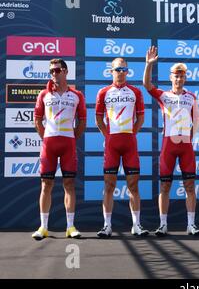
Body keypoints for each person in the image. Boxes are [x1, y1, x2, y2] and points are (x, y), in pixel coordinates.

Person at [143, 46, 199, 236]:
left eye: (182, 76)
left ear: (185, 78)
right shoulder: (164, 96)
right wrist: (148, 65)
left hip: (185, 145)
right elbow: (146, 85)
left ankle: (191, 225)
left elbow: (196, 123)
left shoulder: (192, 97)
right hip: (168, 144)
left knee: (190, 186)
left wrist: (189, 141)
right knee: (165, 186)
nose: (179, 79)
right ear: (171, 77)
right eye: (176, 76)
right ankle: (163, 224)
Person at [32, 58, 86, 240]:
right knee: (46, 185)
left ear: (65, 71)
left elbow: (83, 120)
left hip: (68, 144)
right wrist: (46, 137)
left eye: (57, 70)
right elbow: (37, 120)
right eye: (51, 71)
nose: (53, 74)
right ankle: (43, 227)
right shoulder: (43, 95)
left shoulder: (77, 95)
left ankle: (70, 227)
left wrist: (72, 138)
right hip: (49, 144)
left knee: (69, 184)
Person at [95, 57, 149, 238]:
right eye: (117, 69)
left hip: (129, 144)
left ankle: (136, 225)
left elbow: (140, 118)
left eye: (124, 69)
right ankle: (107, 226)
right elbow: (98, 119)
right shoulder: (103, 92)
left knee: (133, 186)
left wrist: (131, 133)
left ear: (127, 71)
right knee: (109, 185)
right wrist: (108, 136)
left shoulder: (135, 92)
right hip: (112, 144)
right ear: (111, 71)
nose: (121, 72)